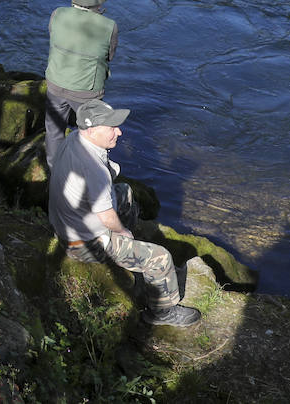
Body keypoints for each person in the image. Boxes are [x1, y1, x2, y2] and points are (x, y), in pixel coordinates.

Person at [48, 100, 201, 327]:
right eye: (112, 128)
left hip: (65, 222)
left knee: (125, 191)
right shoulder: (93, 169)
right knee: (160, 258)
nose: (119, 132)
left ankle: (131, 252)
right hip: (83, 243)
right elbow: (107, 216)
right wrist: (123, 231)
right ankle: (161, 313)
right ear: (92, 130)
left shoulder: (74, 139)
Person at [44, 0, 118, 162]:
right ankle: (92, 171)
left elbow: (54, 38)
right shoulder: (109, 26)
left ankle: (56, 173)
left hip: (55, 83)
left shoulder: (57, 14)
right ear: (100, 0)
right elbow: (109, 56)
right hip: (86, 91)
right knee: (93, 134)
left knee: (53, 131)